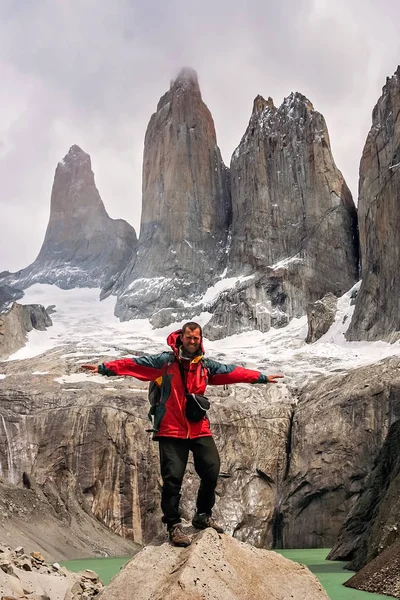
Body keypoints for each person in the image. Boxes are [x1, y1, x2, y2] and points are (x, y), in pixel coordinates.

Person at [82, 321, 283, 547]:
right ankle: (173, 526)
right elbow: (134, 364)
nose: (193, 341)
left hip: (198, 428)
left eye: (196, 338)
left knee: (211, 469)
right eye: (189, 337)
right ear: (181, 338)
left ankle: (202, 515)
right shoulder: (164, 363)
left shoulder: (205, 367)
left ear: (200, 340)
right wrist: (104, 368)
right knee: (172, 480)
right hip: (171, 430)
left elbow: (233, 372)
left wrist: (262, 377)